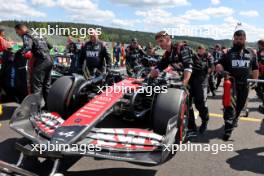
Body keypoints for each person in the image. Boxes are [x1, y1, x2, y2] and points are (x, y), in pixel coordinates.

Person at [216, 30, 259, 141]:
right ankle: (228, 129)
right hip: (231, 83)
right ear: (233, 39)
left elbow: (255, 68)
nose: (238, 41)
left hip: (245, 84)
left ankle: (235, 119)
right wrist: (221, 70)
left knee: (240, 106)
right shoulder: (228, 53)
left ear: (245, 39)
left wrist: (255, 80)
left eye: (241, 39)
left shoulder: (251, 53)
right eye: (236, 39)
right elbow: (219, 64)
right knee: (229, 107)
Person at [15, 23, 53, 102]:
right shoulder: (38, 34)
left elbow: (27, 47)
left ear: (20, 30)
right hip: (49, 60)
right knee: (47, 85)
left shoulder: (26, 35)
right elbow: (50, 46)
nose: (17, 34)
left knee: (36, 86)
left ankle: (36, 109)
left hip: (41, 61)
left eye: (17, 32)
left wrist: (18, 53)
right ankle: (48, 106)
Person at [188, 45, 214, 136]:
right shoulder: (193, 56)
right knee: (187, 104)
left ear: (204, 49)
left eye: (202, 49)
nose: (200, 50)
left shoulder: (208, 56)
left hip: (202, 82)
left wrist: (205, 70)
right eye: (198, 49)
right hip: (191, 82)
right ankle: (191, 126)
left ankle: (204, 121)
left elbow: (210, 69)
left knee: (201, 104)